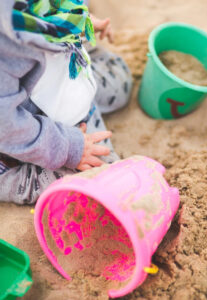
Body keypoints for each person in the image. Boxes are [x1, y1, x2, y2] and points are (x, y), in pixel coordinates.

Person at [0, 0, 132, 205]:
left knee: (121, 84)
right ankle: (10, 170)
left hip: (62, 79)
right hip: (25, 130)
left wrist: (79, 21)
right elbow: (6, 126)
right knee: (102, 181)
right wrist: (69, 147)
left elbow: (54, 7)